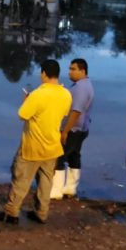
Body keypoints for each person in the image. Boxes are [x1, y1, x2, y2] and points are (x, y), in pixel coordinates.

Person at [0, 60, 72, 224]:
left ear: (44, 73)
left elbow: (22, 115)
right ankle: (41, 213)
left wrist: (27, 100)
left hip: (32, 146)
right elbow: (64, 113)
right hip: (53, 146)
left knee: (21, 180)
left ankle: (12, 213)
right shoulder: (66, 94)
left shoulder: (38, 94)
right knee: (46, 183)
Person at [51, 58, 95, 200]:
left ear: (82, 71)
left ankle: (56, 191)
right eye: (70, 69)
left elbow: (76, 111)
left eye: (73, 69)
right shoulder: (83, 85)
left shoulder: (81, 88)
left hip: (74, 129)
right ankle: (70, 188)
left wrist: (64, 131)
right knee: (74, 156)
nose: (70, 72)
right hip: (81, 128)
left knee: (59, 157)